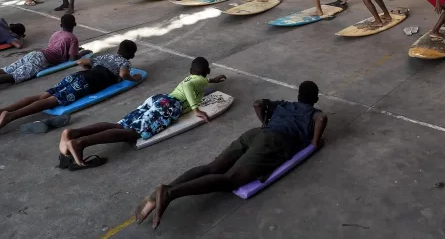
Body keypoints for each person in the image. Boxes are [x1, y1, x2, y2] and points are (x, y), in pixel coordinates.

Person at [134, 81, 327, 229]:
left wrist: (264, 123)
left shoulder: (286, 104)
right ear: (315, 98)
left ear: (298, 95)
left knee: (213, 167)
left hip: (255, 134)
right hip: (274, 142)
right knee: (231, 179)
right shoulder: (313, 113)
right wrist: (315, 142)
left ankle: (158, 194)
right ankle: (169, 193)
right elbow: (322, 118)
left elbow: (258, 103)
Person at [57, 57, 227, 170]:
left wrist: (213, 80)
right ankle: (80, 143)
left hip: (159, 99)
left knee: (121, 125)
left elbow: (197, 82)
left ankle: (74, 133)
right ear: (208, 71)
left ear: (191, 71)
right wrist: (196, 109)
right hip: (168, 107)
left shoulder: (193, 78)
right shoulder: (198, 81)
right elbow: (192, 87)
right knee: (132, 133)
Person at [0, 40, 141, 131]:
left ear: (117, 50)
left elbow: (81, 62)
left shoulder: (107, 56)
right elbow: (123, 74)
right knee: (50, 102)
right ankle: (11, 116)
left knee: (42, 96)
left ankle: (5, 110)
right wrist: (133, 78)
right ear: (132, 56)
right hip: (87, 83)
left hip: (78, 76)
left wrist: (89, 69)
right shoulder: (125, 63)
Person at [0, 14, 88, 86]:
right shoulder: (73, 38)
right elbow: (73, 58)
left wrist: (75, 49)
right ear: (75, 24)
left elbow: (55, 47)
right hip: (42, 60)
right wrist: (82, 53)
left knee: (7, 69)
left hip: (36, 54)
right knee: (14, 76)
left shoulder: (56, 33)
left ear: (61, 25)